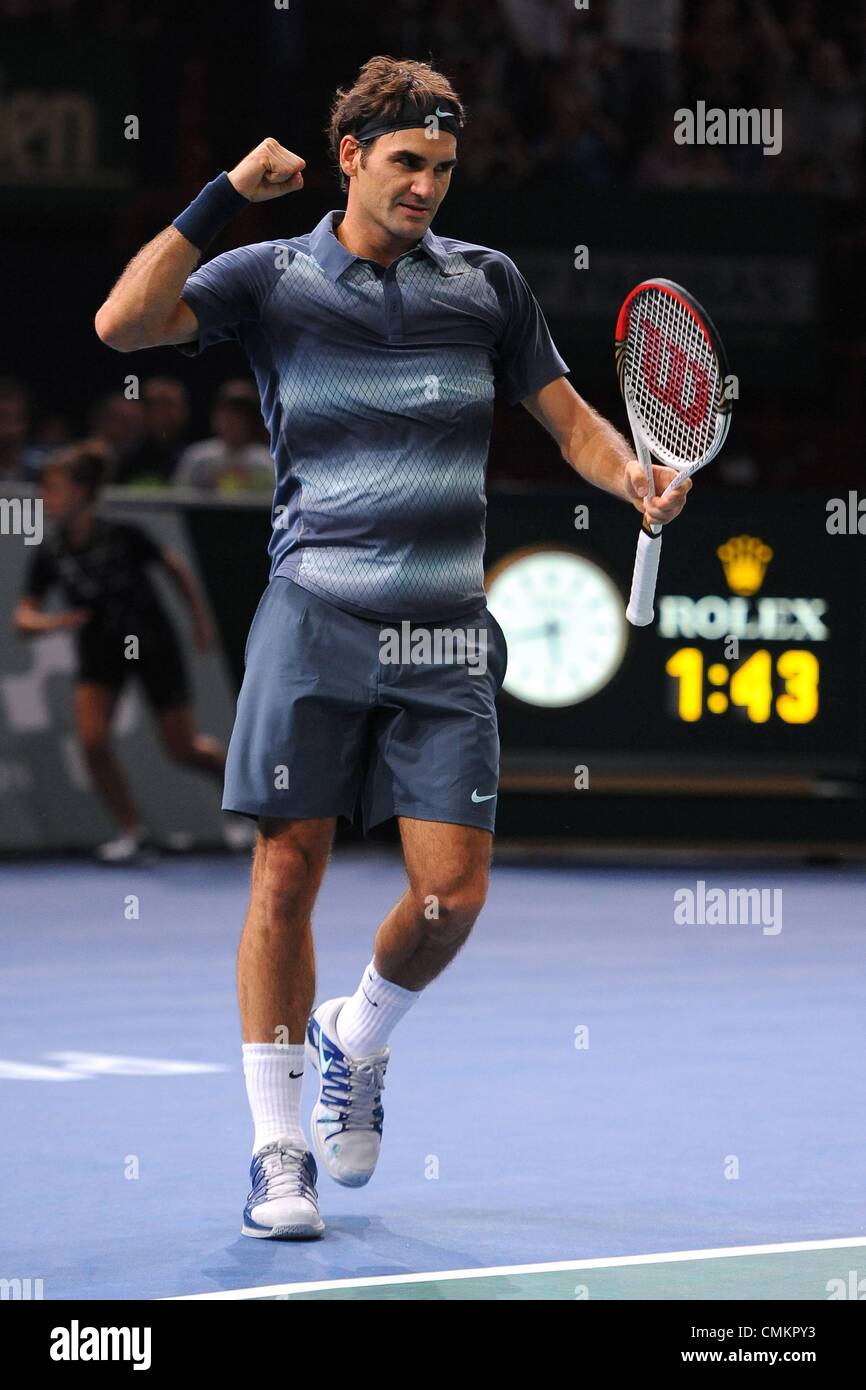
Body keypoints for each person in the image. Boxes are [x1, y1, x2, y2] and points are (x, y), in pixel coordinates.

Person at [94, 54, 690, 1240]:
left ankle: (354, 1039)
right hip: (312, 614)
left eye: (443, 168)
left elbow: (567, 422)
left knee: (451, 895)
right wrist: (222, 192)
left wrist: (631, 471)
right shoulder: (270, 276)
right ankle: (275, 1154)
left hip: (443, 634)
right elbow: (122, 324)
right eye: (405, 163)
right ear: (352, 157)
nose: (425, 187)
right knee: (284, 874)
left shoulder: (485, 284)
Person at [14, 444, 228, 863]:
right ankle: (134, 833)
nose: (43, 499)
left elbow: (175, 567)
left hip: (152, 642)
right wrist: (52, 624)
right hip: (99, 650)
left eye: (51, 489)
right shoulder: (51, 551)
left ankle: (249, 801)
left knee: (182, 749)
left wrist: (198, 622)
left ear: (79, 492)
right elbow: (23, 616)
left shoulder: (125, 535)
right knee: (92, 743)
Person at [174, 380, 272, 492]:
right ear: (216, 417)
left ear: (252, 421)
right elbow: (179, 497)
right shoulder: (198, 457)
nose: (233, 421)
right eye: (228, 414)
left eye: (241, 416)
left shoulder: (265, 461)